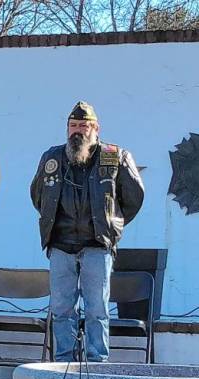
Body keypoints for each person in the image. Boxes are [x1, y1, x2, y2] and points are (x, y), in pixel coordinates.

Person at [30, 101, 144, 362]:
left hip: (97, 245)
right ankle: (64, 363)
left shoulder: (114, 156)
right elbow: (38, 194)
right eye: (73, 125)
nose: (78, 130)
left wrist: (113, 226)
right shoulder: (52, 156)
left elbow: (134, 197)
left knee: (97, 310)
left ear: (96, 128)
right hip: (60, 244)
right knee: (61, 309)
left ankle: (97, 363)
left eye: (84, 125)